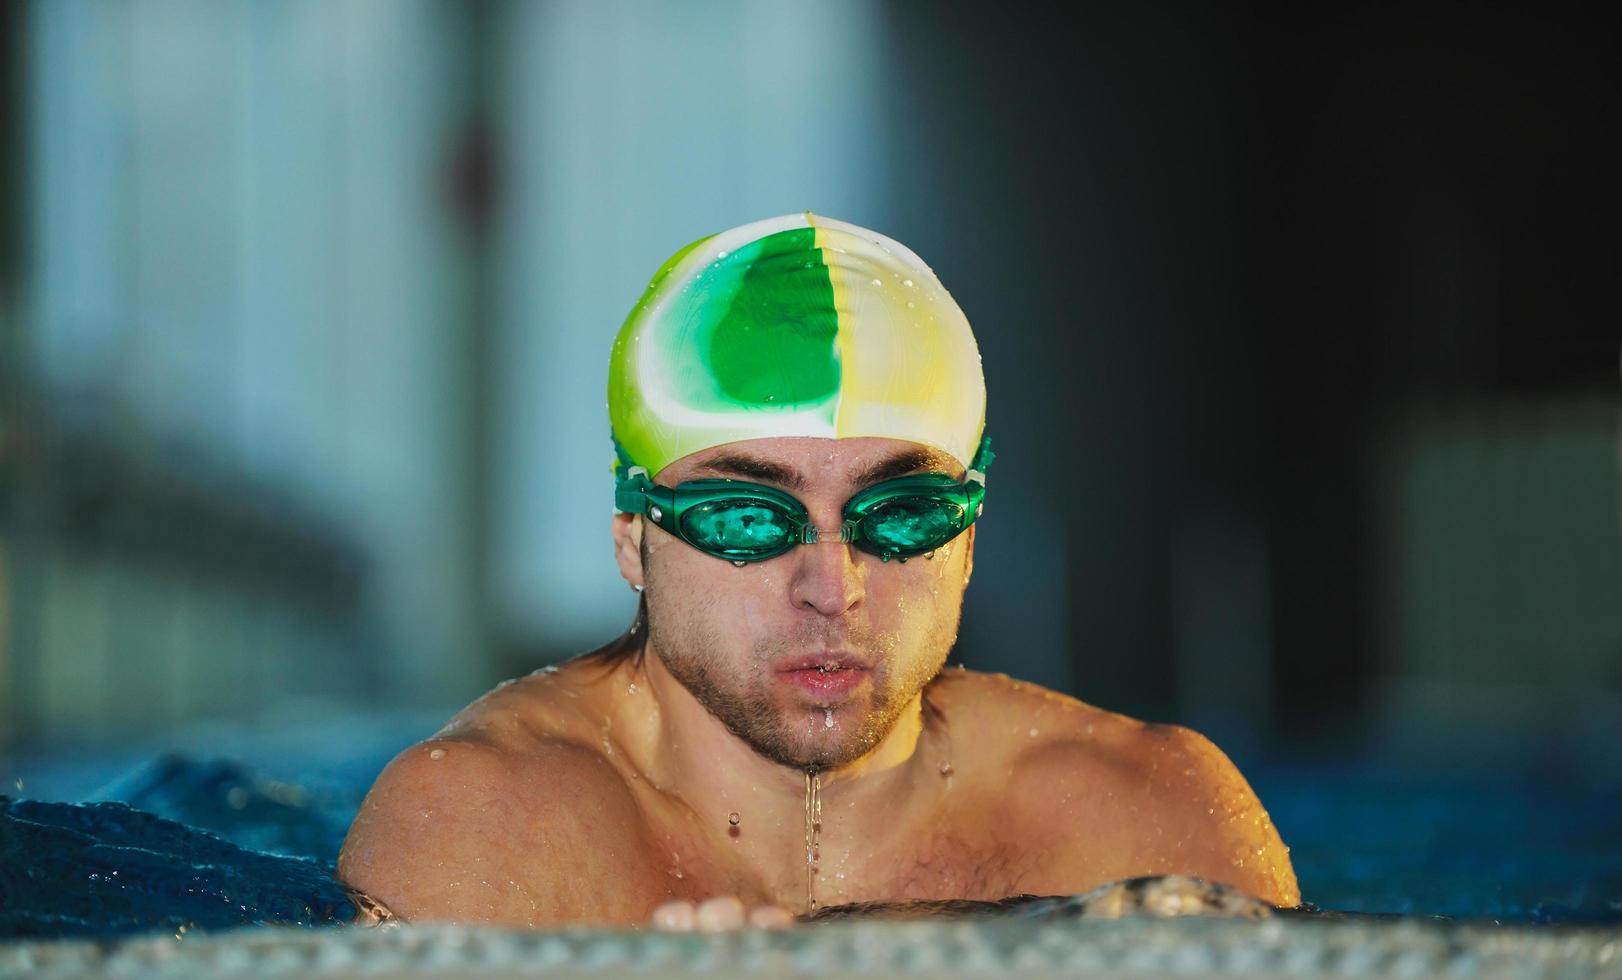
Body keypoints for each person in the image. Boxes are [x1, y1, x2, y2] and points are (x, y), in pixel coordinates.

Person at [338, 213, 1299, 929]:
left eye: (901, 513)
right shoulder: (481, 834)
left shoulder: (1150, 822)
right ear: (634, 534)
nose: (832, 587)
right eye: (749, 517)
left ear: (966, 538)